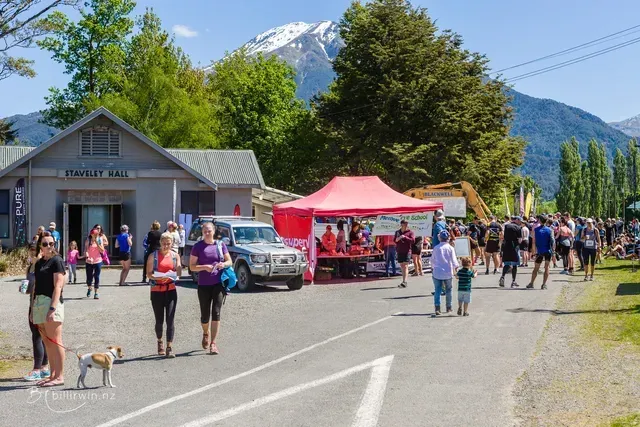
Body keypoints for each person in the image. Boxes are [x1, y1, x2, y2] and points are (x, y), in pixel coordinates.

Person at [189, 223, 233, 355]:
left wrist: (223, 264)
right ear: (202, 232)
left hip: (218, 283)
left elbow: (229, 261)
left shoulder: (220, 245)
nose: (207, 233)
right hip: (203, 285)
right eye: (205, 231)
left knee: (216, 312)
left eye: (209, 231)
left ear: (214, 231)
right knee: (204, 315)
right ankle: (205, 332)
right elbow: (191, 267)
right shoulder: (198, 247)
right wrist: (204, 267)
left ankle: (213, 343)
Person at [31, 231, 66, 387]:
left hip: (51, 303)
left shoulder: (57, 261)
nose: (49, 246)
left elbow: (58, 286)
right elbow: (36, 286)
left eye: (52, 243)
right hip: (39, 303)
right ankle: (52, 374)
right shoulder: (39, 263)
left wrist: (52, 308)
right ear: (40, 246)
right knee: (47, 342)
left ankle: (60, 376)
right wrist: (32, 309)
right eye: (45, 244)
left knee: (56, 341)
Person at [146, 232, 182, 358]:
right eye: (164, 243)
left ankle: (169, 347)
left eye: (168, 243)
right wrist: (157, 276)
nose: (166, 246)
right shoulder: (153, 256)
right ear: (160, 243)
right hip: (157, 290)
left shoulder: (175, 256)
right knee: (159, 320)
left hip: (170, 290)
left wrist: (177, 271)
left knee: (170, 319)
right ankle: (160, 341)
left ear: (172, 243)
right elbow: (149, 274)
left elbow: (179, 272)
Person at [22, 243, 50, 381]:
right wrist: (23, 287)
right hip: (33, 303)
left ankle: (37, 369)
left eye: (34, 251)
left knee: (38, 336)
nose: (32, 254)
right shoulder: (31, 267)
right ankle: (44, 367)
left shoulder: (40, 266)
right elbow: (29, 288)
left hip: (40, 305)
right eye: (30, 250)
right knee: (40, 336)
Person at [431, 230, 459, 315]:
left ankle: (437, 308)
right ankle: (449, 307)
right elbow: (454, 260)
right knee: (448, 290)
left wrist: (432, 268)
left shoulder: (436, 248)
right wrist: (456, 268)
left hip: (437, 271)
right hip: (448, 272)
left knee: (437, 290)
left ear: (439, 238)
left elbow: (432, 260)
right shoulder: (450, 248)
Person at [527, 217, 554, 290]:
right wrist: (553, 251)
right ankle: (544, 284)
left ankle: (531, 283)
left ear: (539, 221)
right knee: (547, 267)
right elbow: (553, 241)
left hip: (539, 251)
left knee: (536, 268)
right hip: (548, 251)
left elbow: (533, 242)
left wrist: (533, 252)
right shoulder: (550, 230)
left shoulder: (535, 230)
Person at [499, 216, 522, 288]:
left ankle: (502, 277)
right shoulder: (518, 228)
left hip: (506, 246)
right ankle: (513, 281)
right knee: (515, 264)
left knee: (507, 263)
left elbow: (503, 236)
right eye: (520, 221)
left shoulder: (506, 226)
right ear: (517, 220)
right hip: (514, 246)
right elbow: (520, 240)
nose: (520, 222)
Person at [85, 228, 104, 299]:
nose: (95, 236)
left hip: (98, 260)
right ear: (91, 234)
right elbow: (86, 250)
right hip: (89, 261)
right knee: (89, 278)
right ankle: (89, 288)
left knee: (97, 276)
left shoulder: (99, 240)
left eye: (97, 234)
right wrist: (87, 256)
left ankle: (96, 293)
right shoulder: (88, 240)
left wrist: (96, 242)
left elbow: (102, 251)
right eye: (94, 235)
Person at [394, 220, 415, 288]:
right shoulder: (397, 232)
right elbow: (395, 240)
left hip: (407, 250)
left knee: (405, 265)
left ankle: (404, 281)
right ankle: (403, 280)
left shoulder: (410, 232)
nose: (406, 225)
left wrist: (405, 237)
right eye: (404, 224)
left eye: (407, 224)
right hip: (399, 250)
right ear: (401, 225)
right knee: (402, 265)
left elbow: (413, 240)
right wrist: (398, 238)